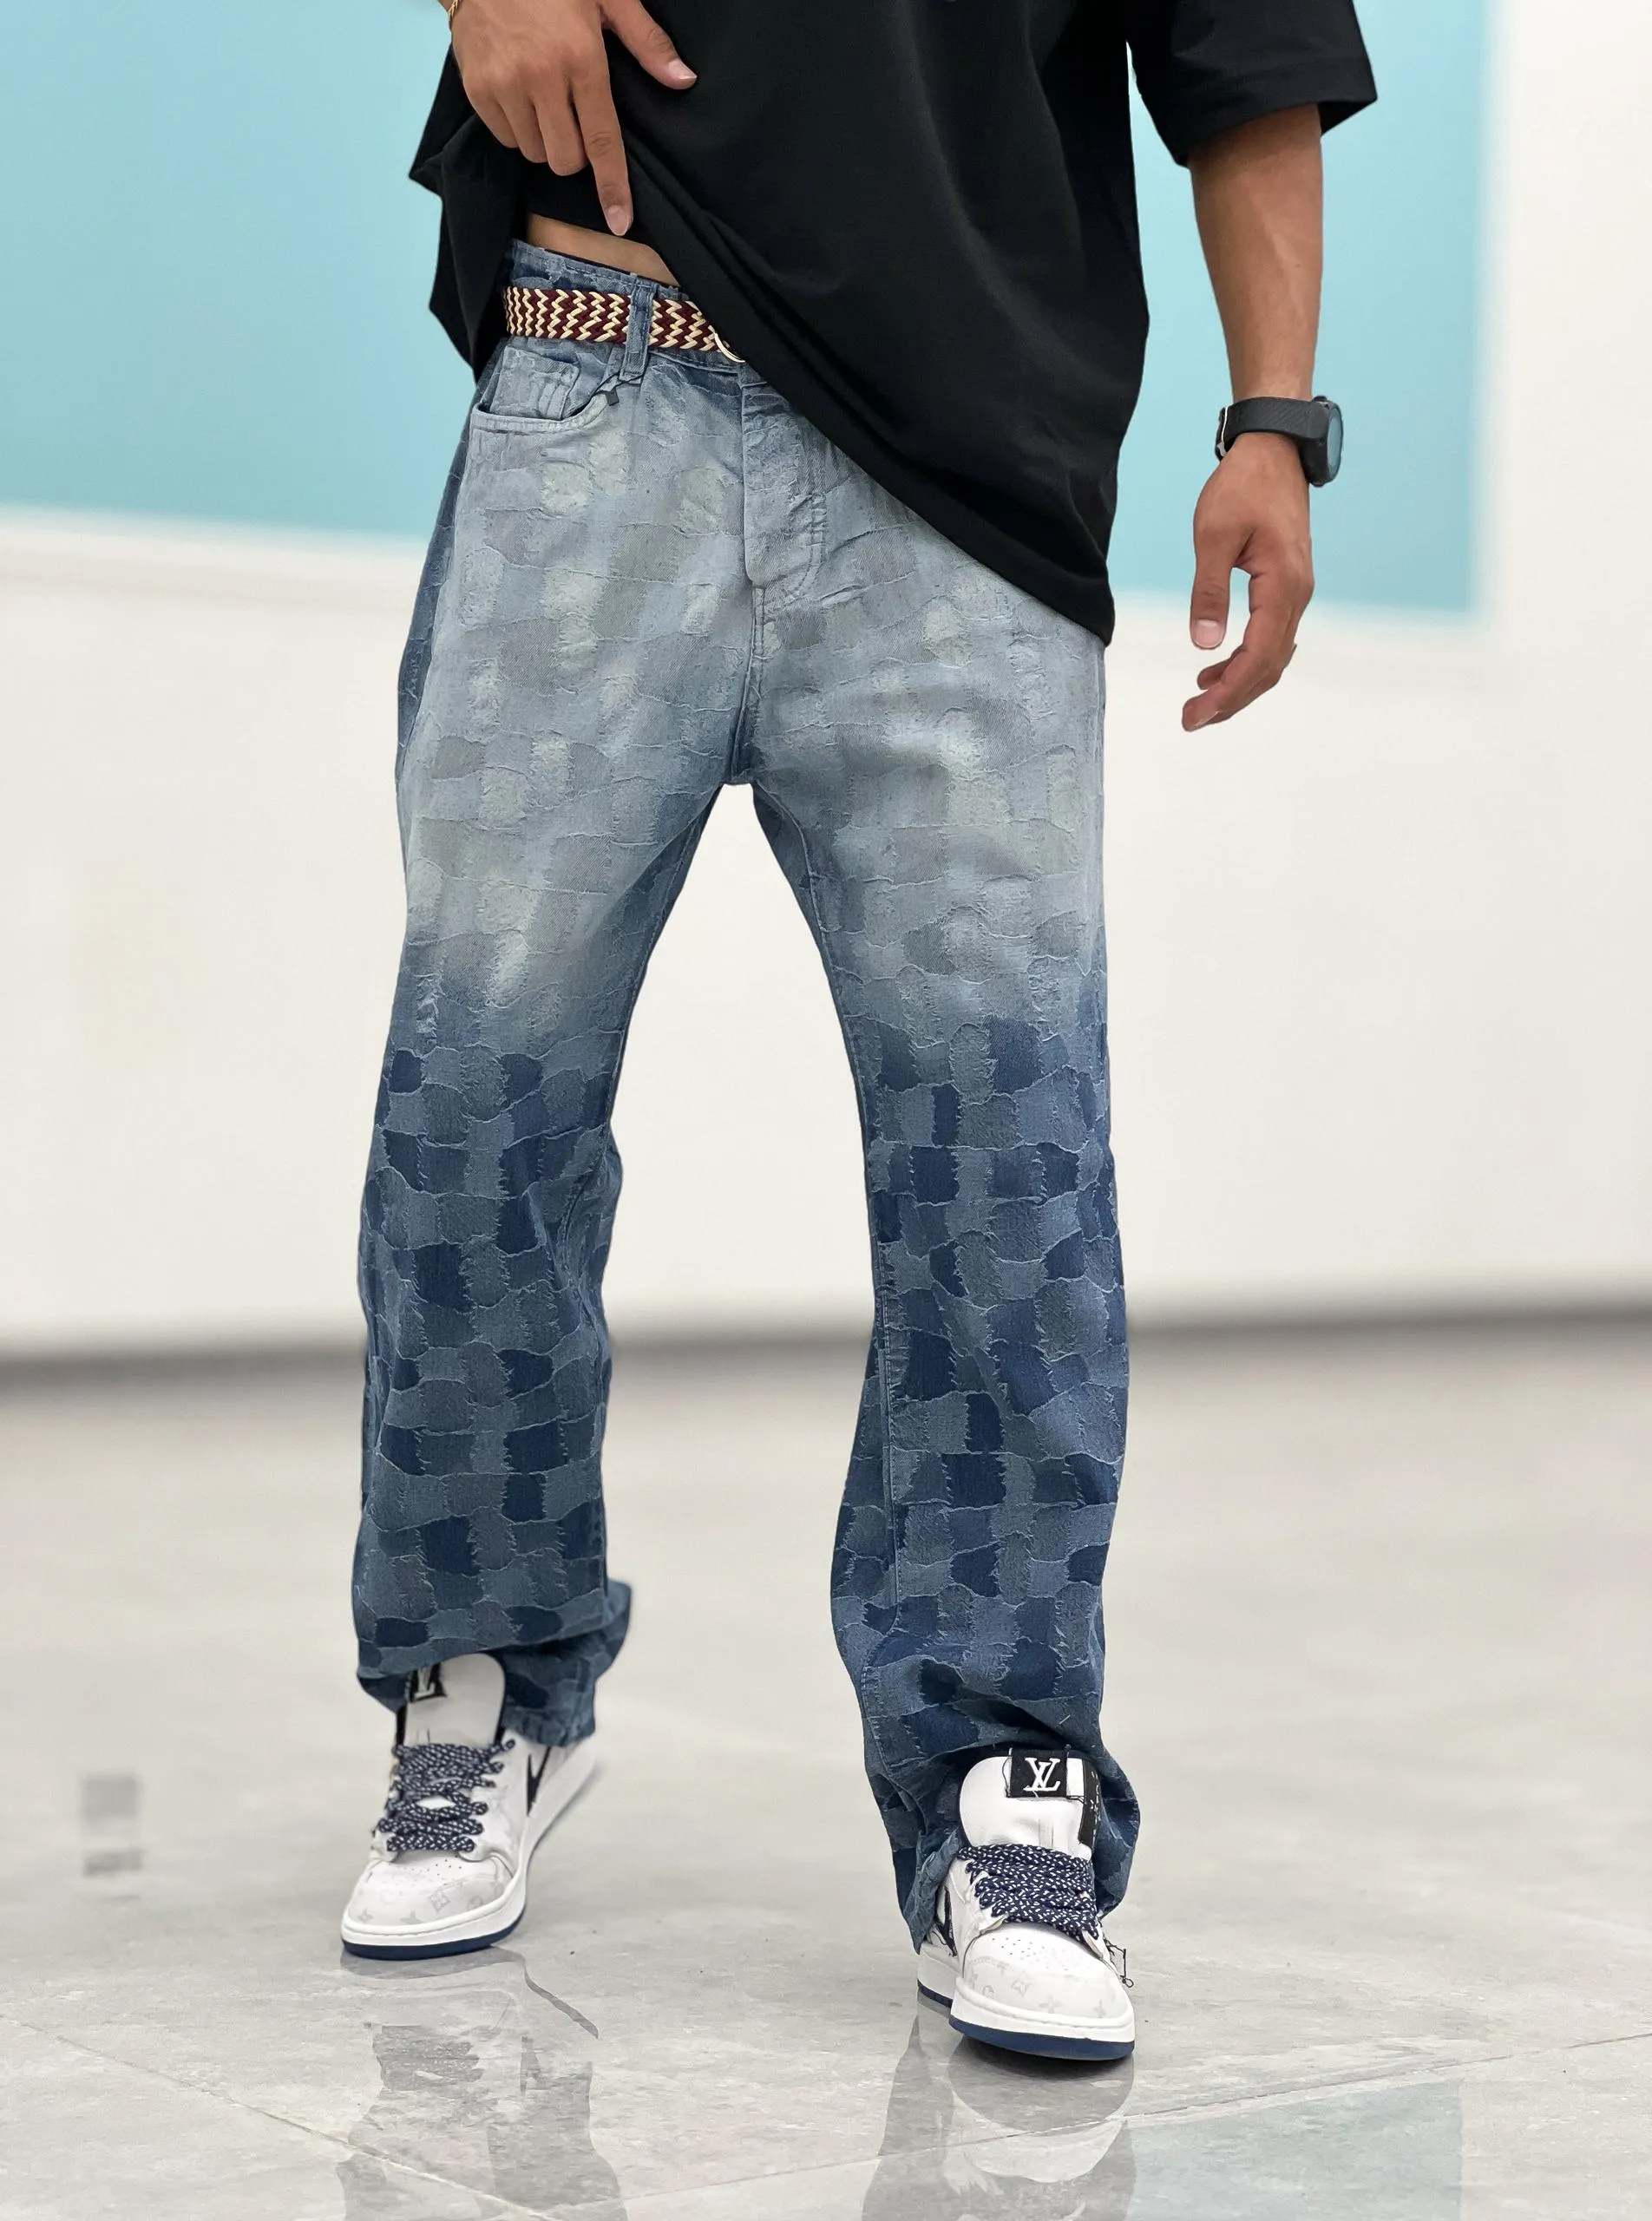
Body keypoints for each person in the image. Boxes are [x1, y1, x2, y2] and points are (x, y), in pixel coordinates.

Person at [339, 0, 1375, 2063]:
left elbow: (1249, 54)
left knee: (1005, 1156)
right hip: (592, 373)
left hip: (956, 473)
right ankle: (478, 1683)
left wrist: (1276, 419)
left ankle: (1001, 1776)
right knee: (474, 1107)